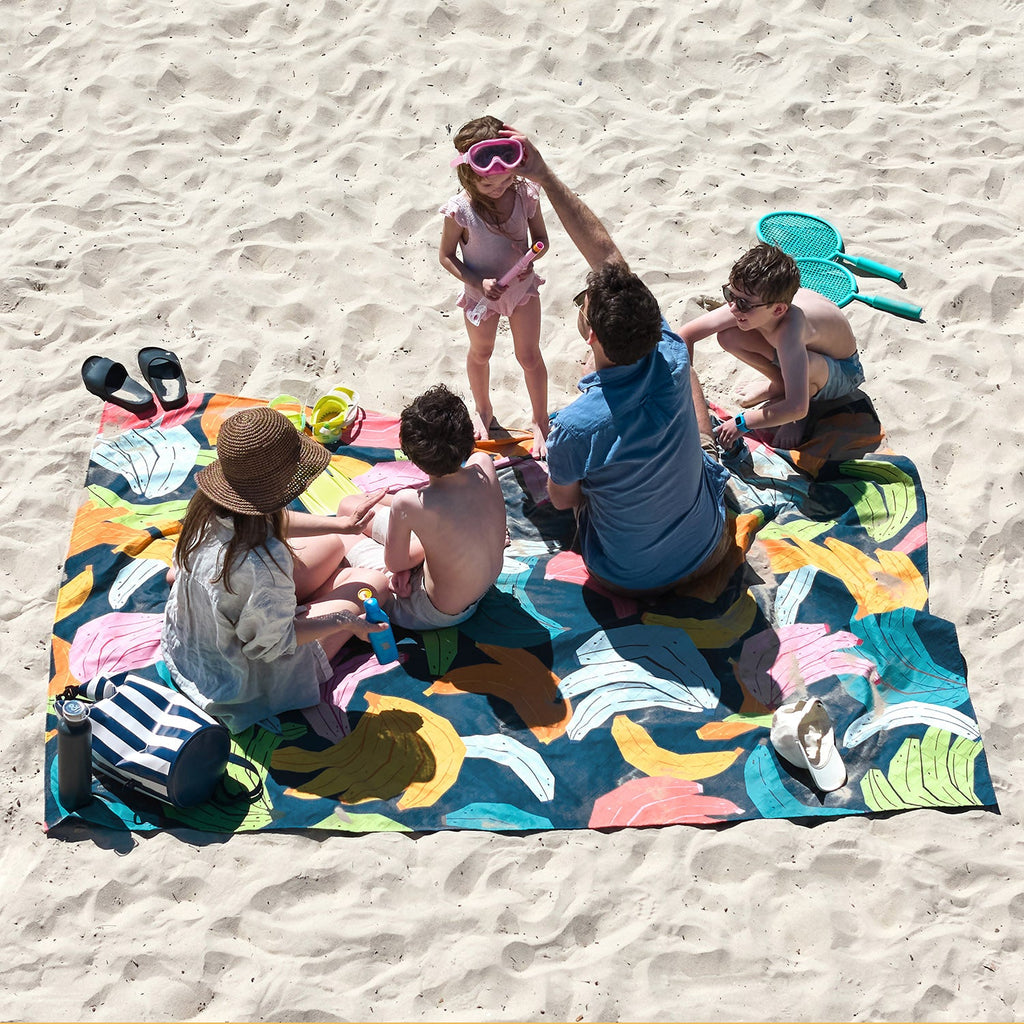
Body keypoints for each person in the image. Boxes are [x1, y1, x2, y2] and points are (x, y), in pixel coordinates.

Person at [500, 125, 732, 597]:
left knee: (585, 479)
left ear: (591, 334)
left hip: (625, 577)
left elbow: (564, 502)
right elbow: (608, 257)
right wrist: (542, 173)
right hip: (710, 548)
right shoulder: (668, 349)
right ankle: (708, 448)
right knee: (686, 384)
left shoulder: (575, 426)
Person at [161, 406, 389, 733]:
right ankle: (318, 603)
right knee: (374, 583)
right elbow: (274, 645)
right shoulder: (260, 566)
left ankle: (309, 600)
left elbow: (272, 519)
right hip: (244, 681)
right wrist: (348, 622)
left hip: (197, 644)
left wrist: (339, 524)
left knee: (337, 542)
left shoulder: (210, 506)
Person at [342, 384, 507, 630]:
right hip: (481, 586)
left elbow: (396, 565)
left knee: (342, 537)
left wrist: (406, 567)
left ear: (413, 457)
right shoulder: (483, 463)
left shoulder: (409, 503)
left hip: (432, 610)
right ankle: (424, 550)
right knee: (351, 505)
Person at [678, 242, 864, 449]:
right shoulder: (752, 301)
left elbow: (797, 406)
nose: (732, 307)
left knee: (807, 369)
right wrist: (686, 393)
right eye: (730, 294)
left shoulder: (790, 330)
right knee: (728, 336)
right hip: (799, 354)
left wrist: (743, 422)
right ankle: (779, 384)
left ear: (778, 310)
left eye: (743, 304)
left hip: (844, 370)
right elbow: (686, 335)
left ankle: (796, 417)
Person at [439, 114, 551, 456]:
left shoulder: (524, 195)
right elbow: (446, 256)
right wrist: (478, 282)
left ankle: (540, 420)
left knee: (529, 355)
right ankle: (483, 409)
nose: (498, 189)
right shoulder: (460, 211)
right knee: (481, 352)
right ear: (468, 176)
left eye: (505, 181)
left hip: (521, 291)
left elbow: (542, 240)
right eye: (489, 185)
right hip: (480, 296)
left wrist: (530, 259)